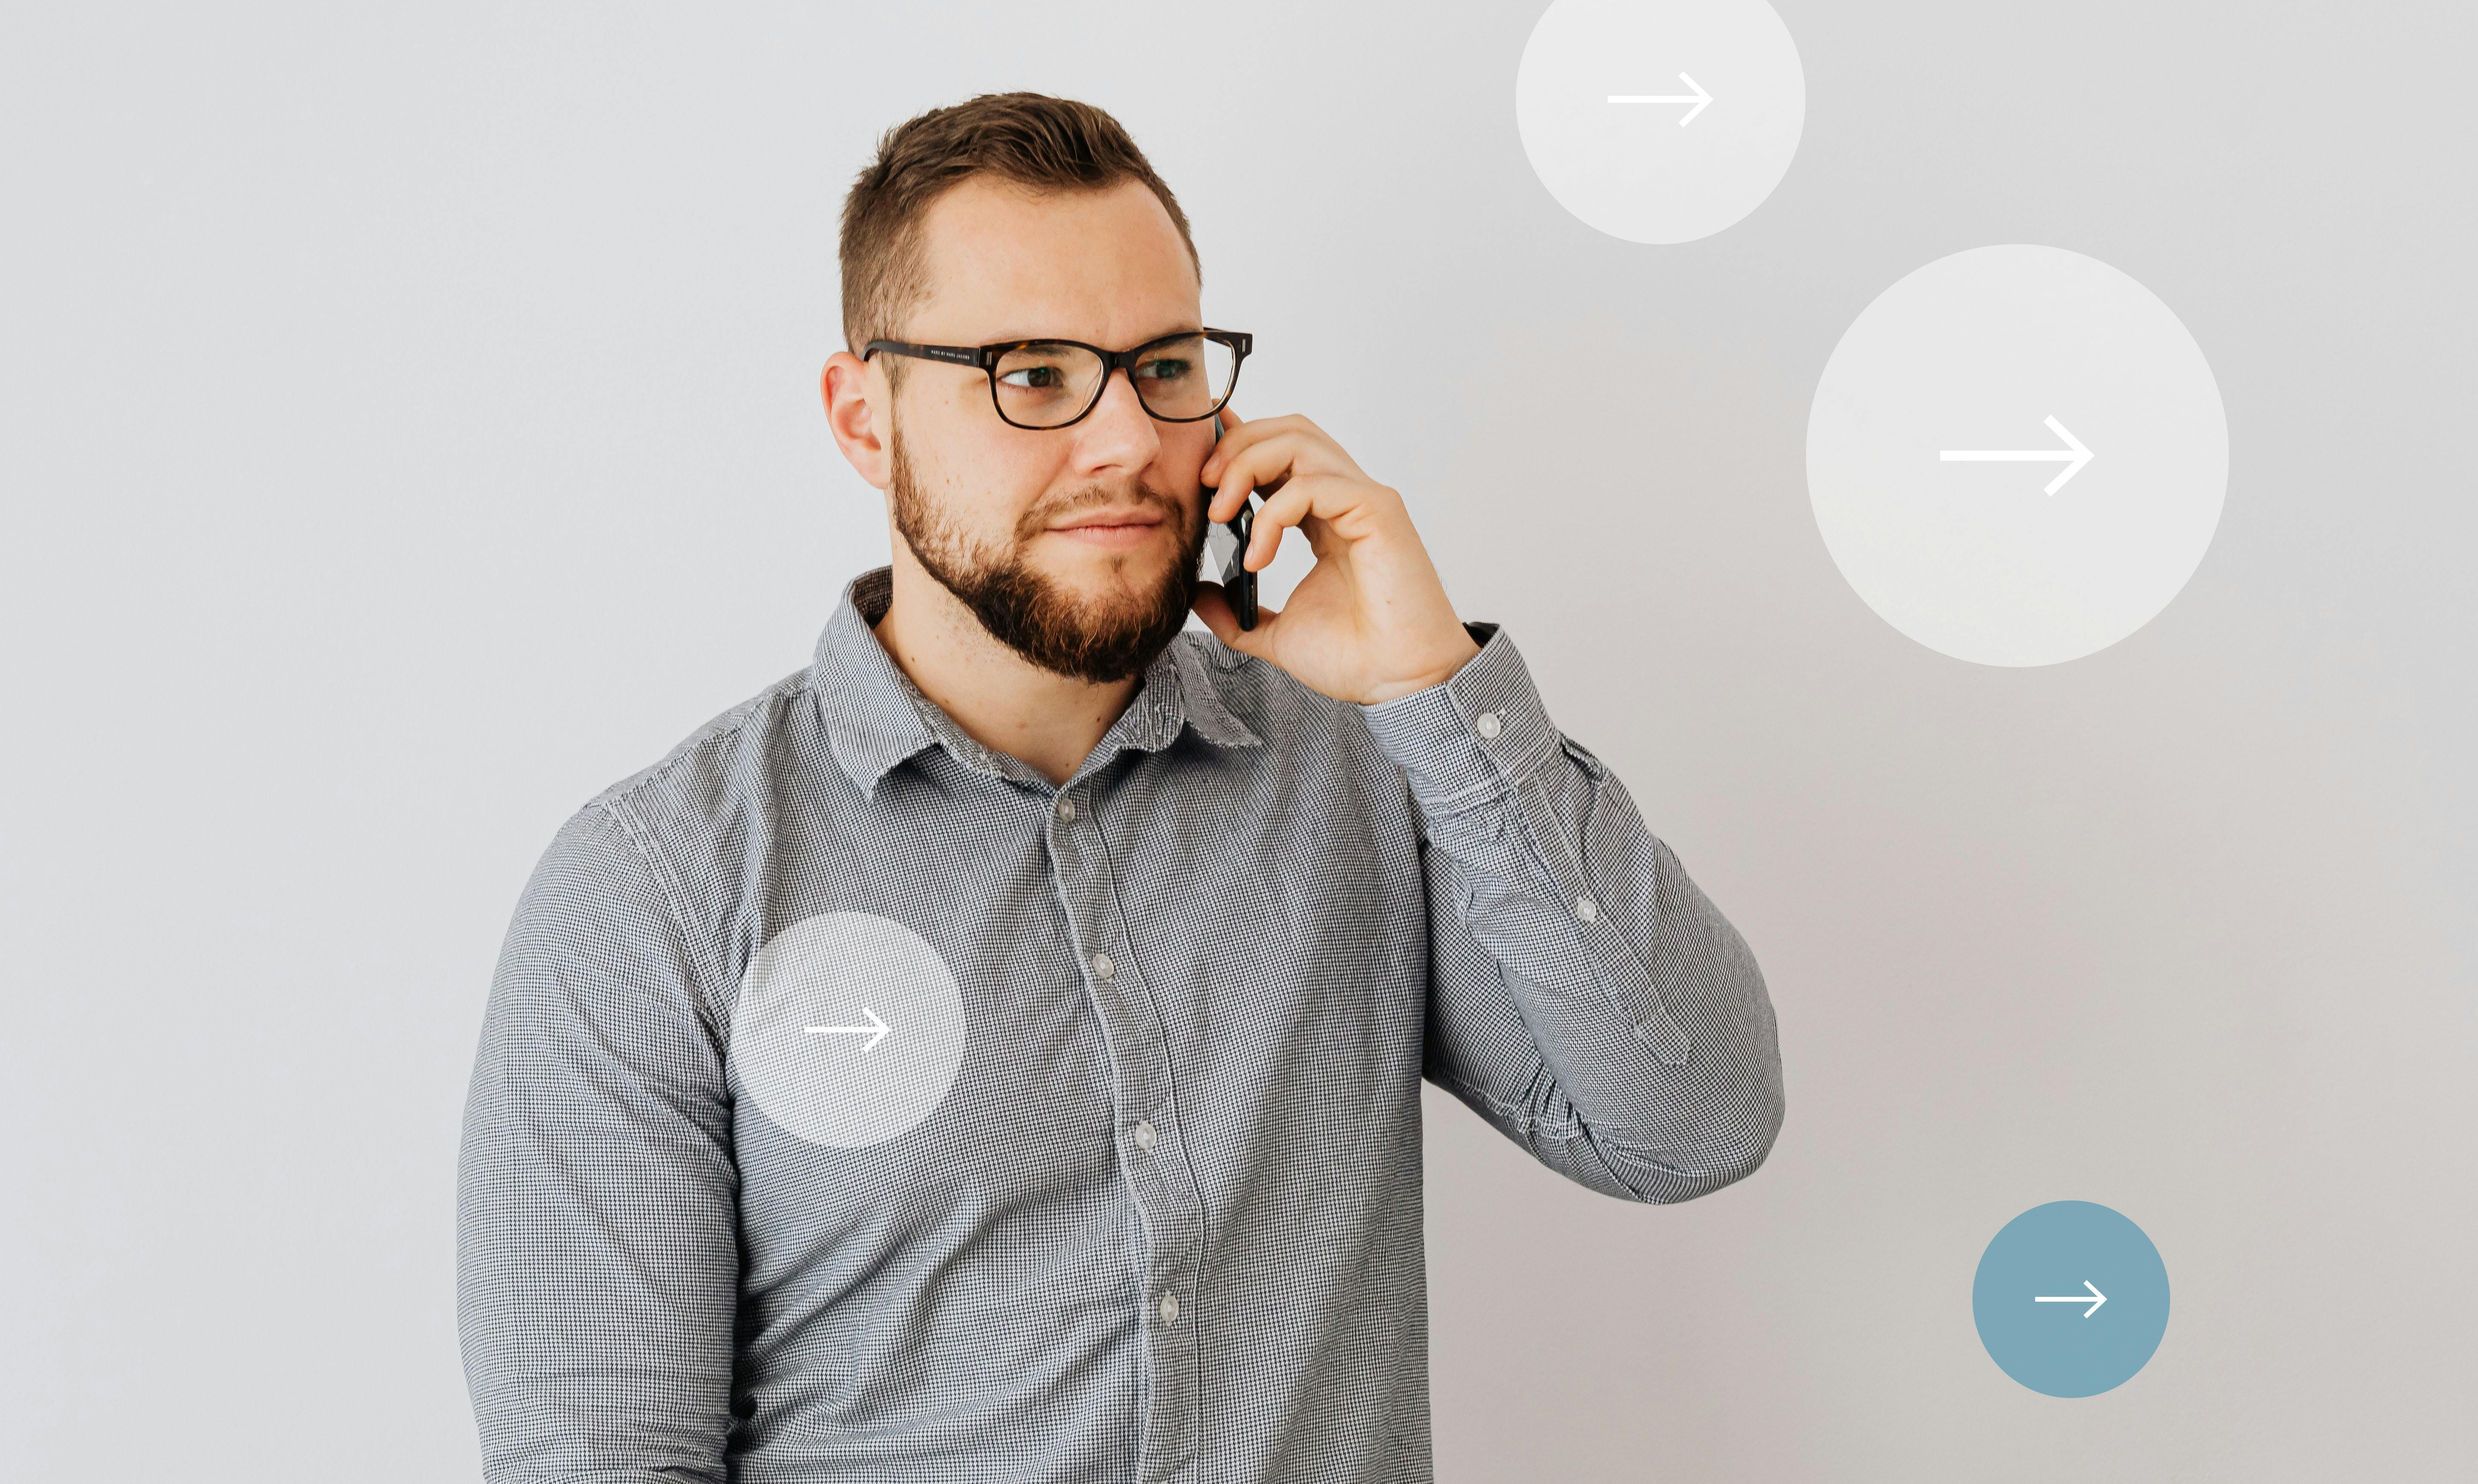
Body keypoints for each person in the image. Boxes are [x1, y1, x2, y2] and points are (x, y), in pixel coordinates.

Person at [457, 92, 1785, 1484]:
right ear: (865, 420)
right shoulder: (657, 887)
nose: (1124, 445)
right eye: (1030, 375)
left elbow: (1689, 1126)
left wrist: (1431, 688)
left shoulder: (1367, 774)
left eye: (1162, 367)